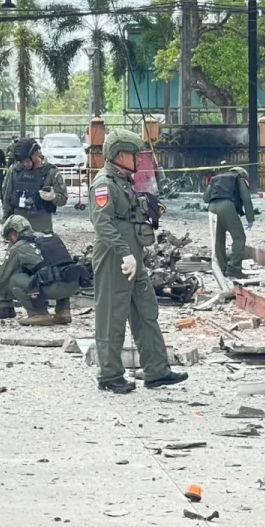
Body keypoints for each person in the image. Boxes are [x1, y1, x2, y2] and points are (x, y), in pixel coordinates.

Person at [90, 130, 188, 394]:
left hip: (134, 258)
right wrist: (124, 253)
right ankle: (110, 375)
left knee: (146, 310)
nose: (138, 160)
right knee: (112, 315)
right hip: (115, 258)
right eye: (134, 155)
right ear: (120, 155)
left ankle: (157, 370)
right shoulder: (104, 184)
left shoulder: (123, 182)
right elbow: (102, 222)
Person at [0, 215, 80, 325]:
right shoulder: (49, 236)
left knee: (14, 279)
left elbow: (3, 276)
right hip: (73, 284)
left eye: (9, 238)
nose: (10, 241)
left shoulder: (18, 247)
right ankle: (64, 311)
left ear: (14, 233)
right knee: (58, 271)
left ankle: (38, 313)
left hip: (54, 288)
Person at [1, 138, 67, 233]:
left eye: (27, 161)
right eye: (21, 161)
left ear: (36, 154)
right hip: (18, 222)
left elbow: (63, 200)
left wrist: (53, 197)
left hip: (41, 222)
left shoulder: (51, 172)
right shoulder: (15, 170)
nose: (24, 164)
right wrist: (5, 220)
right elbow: (7, 197)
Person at [203, 166, 255, 280]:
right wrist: (250, 218)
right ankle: (234, 269)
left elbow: (206, 198)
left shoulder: (216, 178)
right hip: (227, 207)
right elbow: (246, 198)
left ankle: (222, 268)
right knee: (239, 238)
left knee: (219, 239)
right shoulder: (239, 178)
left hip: (212, 208)